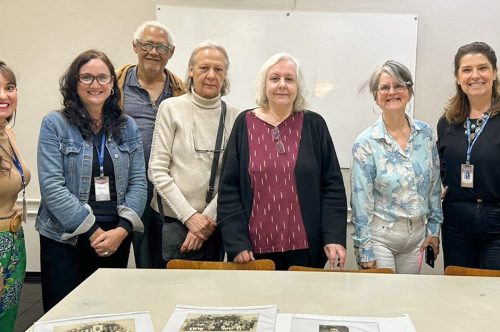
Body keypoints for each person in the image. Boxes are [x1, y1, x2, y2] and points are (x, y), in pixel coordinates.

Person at [36, 50, 147, 311]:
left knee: (107, 314)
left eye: (102, 78)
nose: (95, 84)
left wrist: (122, 230)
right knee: (65, 315)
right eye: (86, 77)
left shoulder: (127, 126)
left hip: (115, 236)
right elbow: (52, 187)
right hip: (66, 239)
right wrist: (93, 231)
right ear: (74, 83)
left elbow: (139, 181)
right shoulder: (55, 124)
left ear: (112, 84)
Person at [217, 53, 347, 271]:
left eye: (289, 79)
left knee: (303, 304)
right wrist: (236, 242)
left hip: (306, 248)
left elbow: (332, 187)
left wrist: (333, 237)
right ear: (264, 85)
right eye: (275, 78)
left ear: (298, 86)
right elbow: (229, 189)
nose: (282, 85)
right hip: (253, 251)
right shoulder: (244, 123)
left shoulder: (315, 125)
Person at [148, 41, 240, 268]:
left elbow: (233, 180)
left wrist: (205, 222)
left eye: (218, 69)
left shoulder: (237, 117)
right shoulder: (171, 108)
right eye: (203, 68)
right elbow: (157, 170)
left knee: (209, 297)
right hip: (169, 222)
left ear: (225, 74)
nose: (211, 75)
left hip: (213, 227)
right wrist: (189, 217)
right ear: (190, 70)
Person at [350, 60, 442, 274]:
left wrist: (434, 230)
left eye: (399, 85)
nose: (392, 92)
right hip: (380, 238)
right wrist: (364, 250)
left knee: (408, 300)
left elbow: (434, 186)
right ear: (376, 95)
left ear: (409, 92)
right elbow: (360, 201)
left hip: (418, 236)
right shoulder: (366, 143)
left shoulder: (425, 134)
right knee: (383, 302)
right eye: (384, 87)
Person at [116, 21, 186, 268]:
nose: (153, 52)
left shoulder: (181, 92)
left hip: (167, 192)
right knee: (122, 262)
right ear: (135, 46)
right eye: (147, 44)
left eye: (161, 47)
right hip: (125, 189)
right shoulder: (115, 87)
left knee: (162, 263)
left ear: (171, 52)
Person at [437, 42, 500, 269]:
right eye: (466, 70)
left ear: (495, 72)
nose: (475, 76)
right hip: (456, 222)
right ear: (457, 77)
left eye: (482, 68)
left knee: (492, 294)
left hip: (496, 220)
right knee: (458, 292)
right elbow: (442, 168)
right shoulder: (448, 122)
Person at [0, 61, 31, 331]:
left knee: (7, 319)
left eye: (9, 87)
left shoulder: (7, 133)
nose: (4, 95)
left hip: (13, 239)